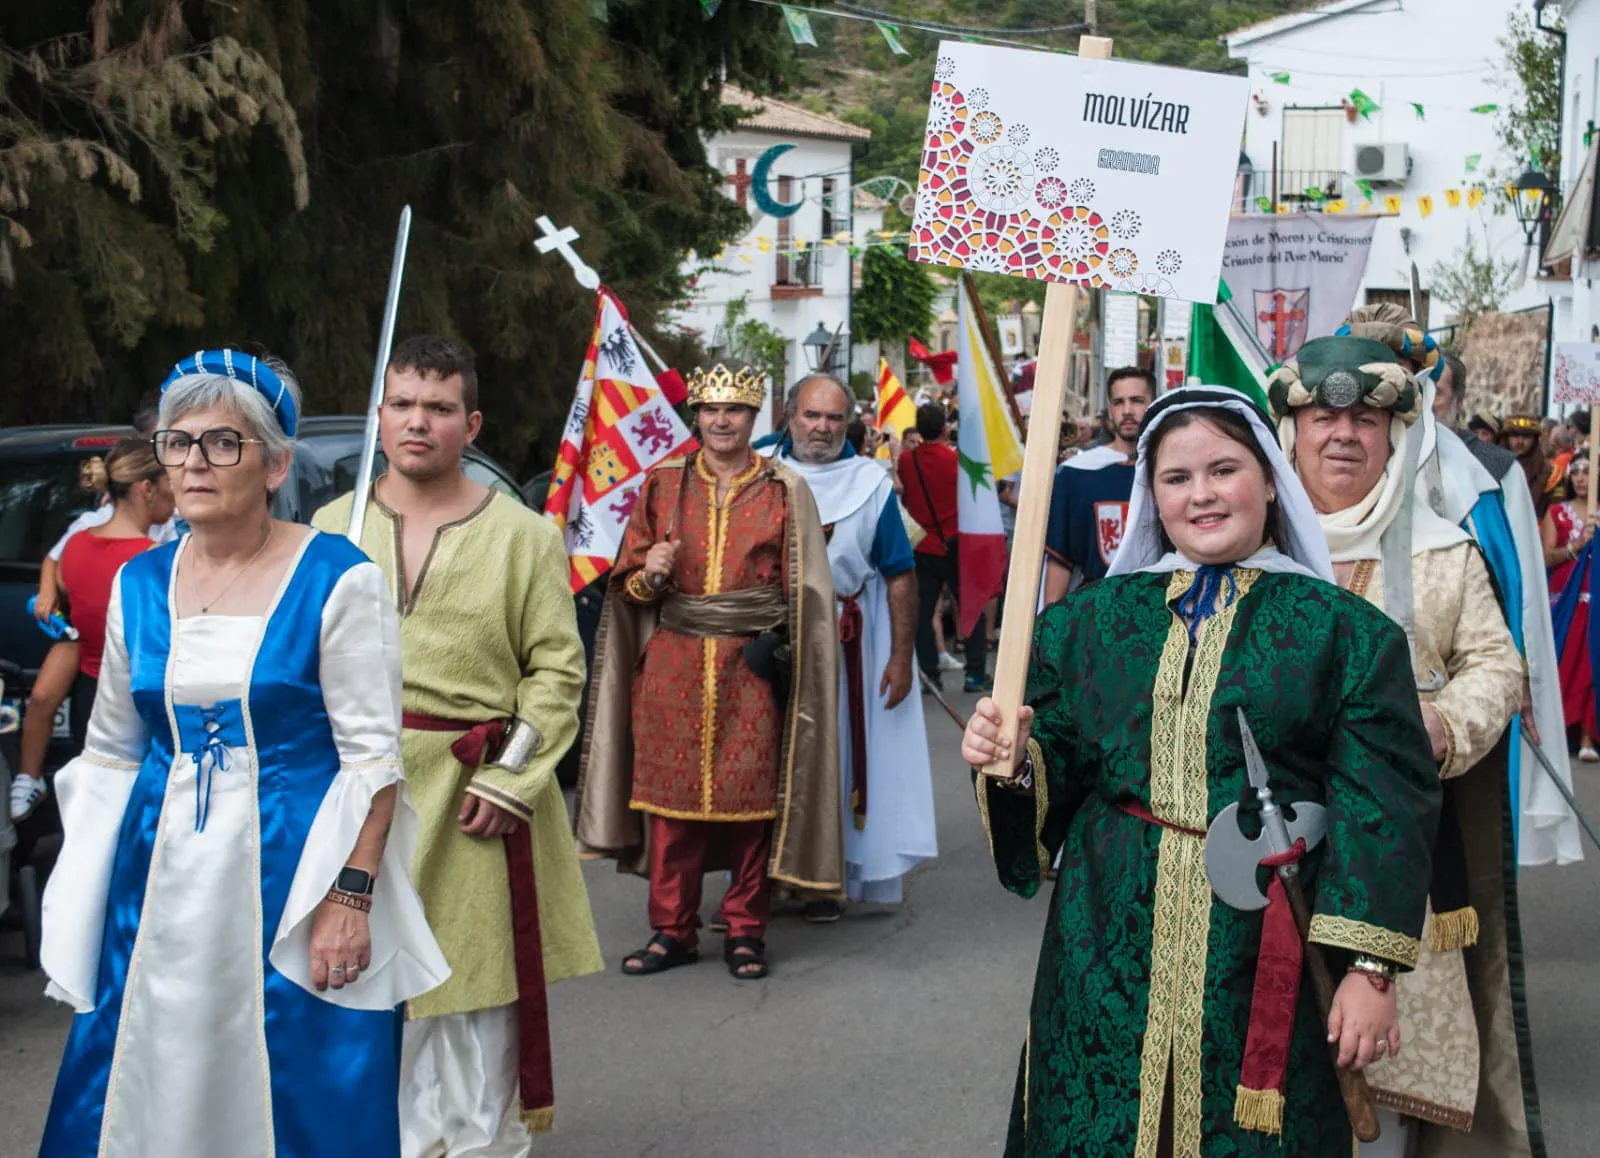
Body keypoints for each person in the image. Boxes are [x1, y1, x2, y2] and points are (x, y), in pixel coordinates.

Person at [962, 385, 1440, 1157]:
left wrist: (1368, 969)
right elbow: (1052, 774)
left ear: (1269, 479)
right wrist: (1009, 762)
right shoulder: (1085, 625)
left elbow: (1384, 804)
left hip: (1265, 947)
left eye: (1224, 469)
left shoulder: (1345, 634)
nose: (1202, 495)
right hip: (1104, 937)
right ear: (1150, 495)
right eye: (1176, 478)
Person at [38, 350, 449, 1156]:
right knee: (149, 1064)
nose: (193, 462)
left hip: (294, 872)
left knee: (295, 1079)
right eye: (178, 443)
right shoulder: (139, 583)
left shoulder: (337, 577)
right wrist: (84, 900)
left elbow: (372, 759)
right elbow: (114, 751)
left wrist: (351, 899)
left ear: (274, 464)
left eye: (222, 443)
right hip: (155, 881)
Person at [312, 335, 601, 1150]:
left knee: (472, 1020)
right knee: (368, 1015)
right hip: (356, 797)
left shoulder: (524, 536)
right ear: (381, 415)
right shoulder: (331, 529)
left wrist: (510, 778)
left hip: (476, 798)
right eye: (403, 404)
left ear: (469, 424)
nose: (417, 422)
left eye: (438, 408)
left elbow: (555, 671)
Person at [1268, 336, 1542, 1157]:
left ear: (1396, 436)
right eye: (1324, 416)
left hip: (1393, 868)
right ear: (1291, 433)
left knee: (1378, 1084)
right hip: (1261, 861)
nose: (1343, 434)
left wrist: (1442, 725)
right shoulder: (1248, 546)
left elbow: (1499, 665)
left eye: (1365, 418)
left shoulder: (1444, 551)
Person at [576, 360, 842, 982]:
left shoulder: (784, 489)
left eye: (736, 410)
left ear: (755, 417)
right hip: (671, 666)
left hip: (750, 669)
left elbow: (806, 591)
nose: (722, 420)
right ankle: (672, 930)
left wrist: (788, 652)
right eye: (710, 409)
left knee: (751, 807)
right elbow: (628, 590)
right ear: (696, 413)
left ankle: (746, 930)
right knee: (670, 811)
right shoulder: (662, 485)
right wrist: (654, 574)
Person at [777, 374, 935, 920]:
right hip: (766, 638)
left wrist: (898, 657)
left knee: (835, 760)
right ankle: (756, 883)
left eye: (834, 418)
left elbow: (899, 574)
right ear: (790, 414)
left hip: (846, 643)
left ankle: (826, 879)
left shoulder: (871, 483)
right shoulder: (759, 471)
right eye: (812, 415)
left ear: (850, 423)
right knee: (764, 760)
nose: (822, 428)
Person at [11, 416, 175, 823]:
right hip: (140, 706)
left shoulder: (78, 545)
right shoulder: (155, 560)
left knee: (93, 821)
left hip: (90, 695)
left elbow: (64, 579)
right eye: (168, 482)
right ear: (146, 489)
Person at [1040, 367, 1155, 603]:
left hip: (1158, 607)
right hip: (1097, 609)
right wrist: (1049, 627)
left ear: (1153, 404)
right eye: (1119, 402)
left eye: (1137, 401)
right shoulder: (1077, 475)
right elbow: (1061, 559)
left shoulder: (1171, 471)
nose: (1127, 411)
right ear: (1110, 410)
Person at [898, 400, 990, 692]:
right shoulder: (957, 461)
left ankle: (930, 675)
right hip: (956, 544)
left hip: (922, 547)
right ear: (943, 427)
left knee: (923, 614)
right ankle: (975, 674)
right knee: (971, 608)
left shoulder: (905, 461)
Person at [1543, 452, 1598, 760]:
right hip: (1565, 601)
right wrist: (1577, 544)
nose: (1580, 478)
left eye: (1587, 472)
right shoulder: (1557, 512)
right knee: (1564, 665)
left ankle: (1589, 738)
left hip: (1597, 601)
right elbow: (1546, 556)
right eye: (1575, 472)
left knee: (1592, 667)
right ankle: (1560, 734)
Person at [1498, 414, 1562, 520]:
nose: (1520, 441)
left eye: (1526, 436)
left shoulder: (1550, 473)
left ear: (1535, 440)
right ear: (1506, 438)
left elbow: (1554, 515)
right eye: (1514, 436)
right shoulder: (1492, 467)